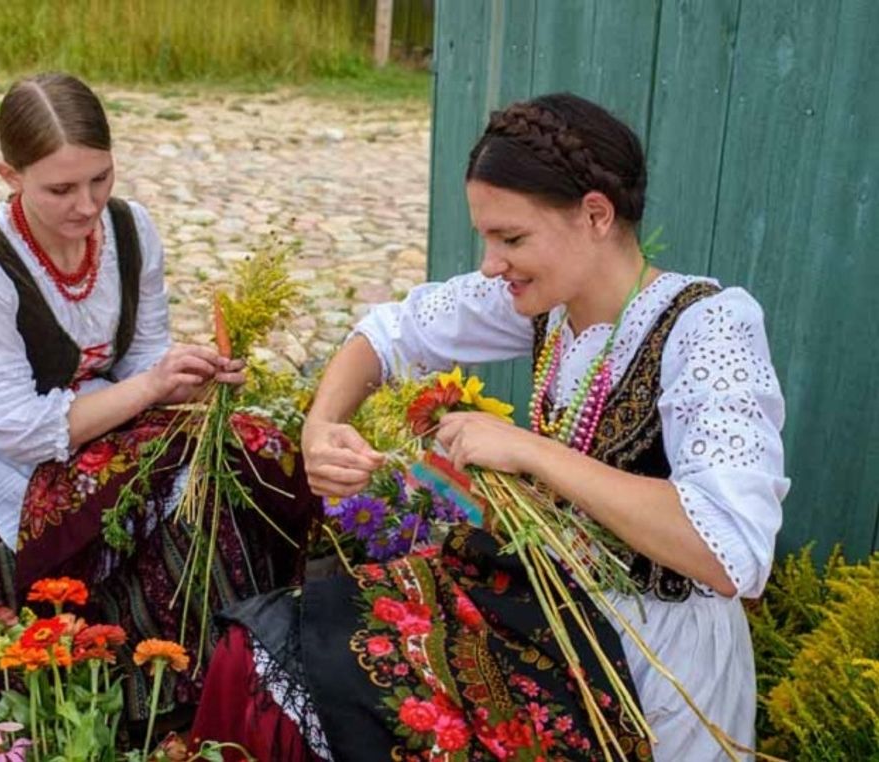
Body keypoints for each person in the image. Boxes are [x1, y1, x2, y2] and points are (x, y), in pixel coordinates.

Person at [191, 93, 788, 760]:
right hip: (552, 610)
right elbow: (390, 334)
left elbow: (731, 550)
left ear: (595, 214)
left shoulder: (706, 328)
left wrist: (530, 452)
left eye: (511, 238)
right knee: (280, 647)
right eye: (487, 237)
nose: (490, 263)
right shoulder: (548, 306)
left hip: (654, 661)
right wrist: (321, 425)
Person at [0, 73, 314, 716]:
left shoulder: (130, 231)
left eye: (100, 178)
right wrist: (152, 390)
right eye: (60, 188)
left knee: (247, 455)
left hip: (105, 405)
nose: (87, 204)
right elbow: (16, 426)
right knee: (140, 516)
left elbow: (142, 352)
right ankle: (152, 695)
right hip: (2, 443)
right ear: (9, 175)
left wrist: (184, 374)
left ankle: (251, 658)